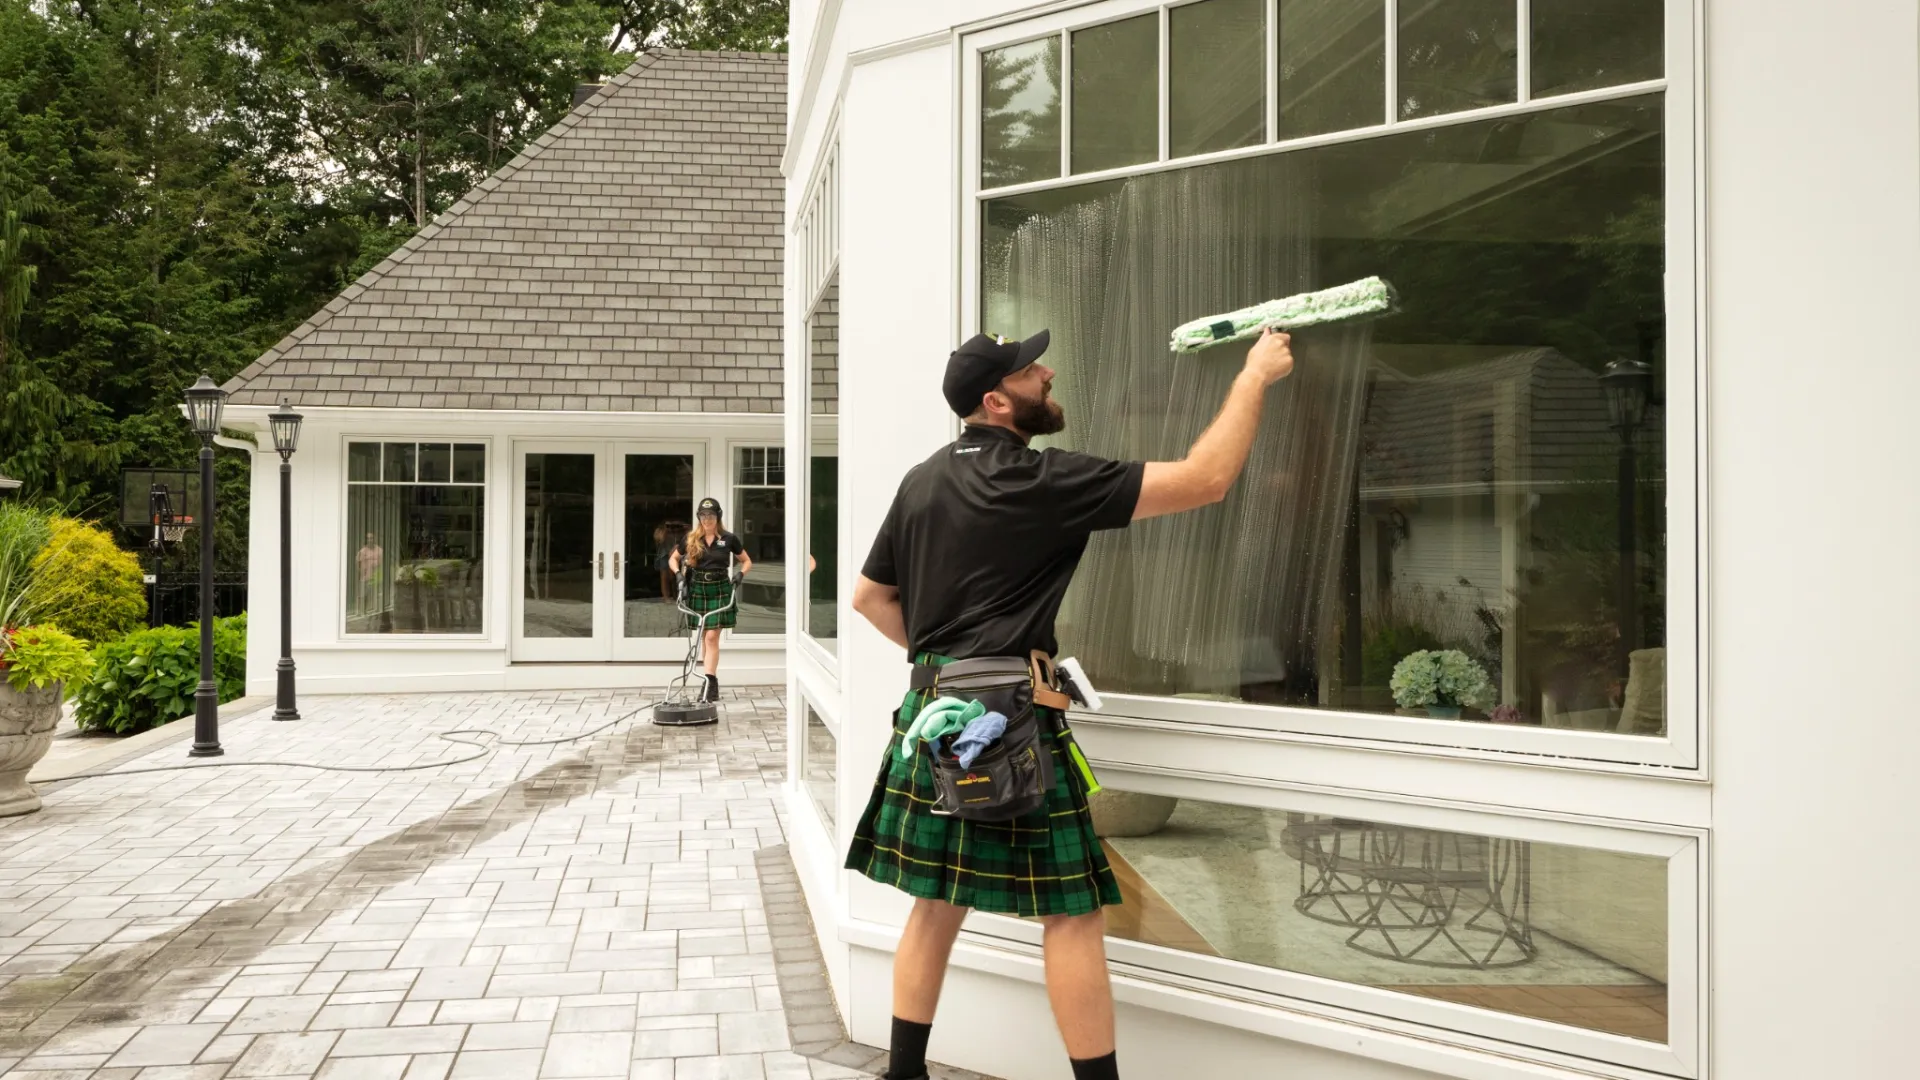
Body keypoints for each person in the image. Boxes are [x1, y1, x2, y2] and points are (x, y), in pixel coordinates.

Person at [845, 325, 1296, 1080]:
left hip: (929, 723)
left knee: (933, 902)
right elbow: (1206, 479)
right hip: (1010, 728)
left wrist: (953, 671)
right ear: (997, 400)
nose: (1047, 372)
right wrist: (1253, 376)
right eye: (1030, 370)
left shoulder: (922, 480)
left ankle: (904, 1076)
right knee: (1072, 914)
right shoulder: (1037, 479)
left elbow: (868, 598)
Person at [668, 498, 751, 702]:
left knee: (711, 637)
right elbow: (673, 558)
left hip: (720, 588)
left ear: (718, 517)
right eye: (703, 516)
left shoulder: (728, 538)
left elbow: (747, 561)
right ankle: (709, 679)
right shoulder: (690, 538)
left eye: (711, 515)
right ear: (699, 517)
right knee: (705, 637)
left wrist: (740, 575)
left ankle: (710, 682)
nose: (707, 519)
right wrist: (678, 574)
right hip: (698, 588)